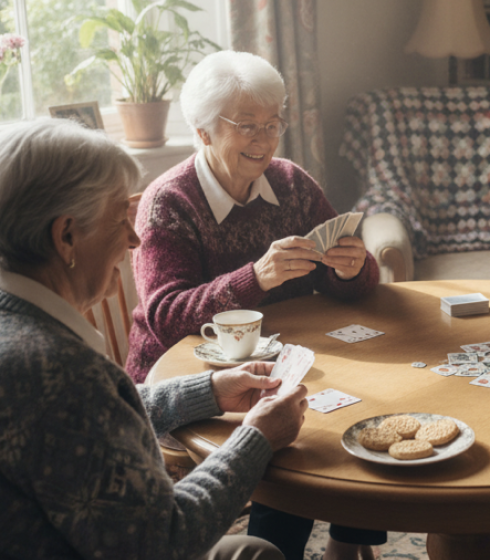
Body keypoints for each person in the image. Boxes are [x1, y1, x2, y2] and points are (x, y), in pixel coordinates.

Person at [0, 118, 308, 559]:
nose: (133, 239)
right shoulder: (63, 373)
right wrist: (257, 438)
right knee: (259, 553)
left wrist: (208, 391)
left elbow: (91, 420)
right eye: (118, 219)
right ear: (66, 235)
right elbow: (164, 540)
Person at [124, 50, 382, 560]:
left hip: (286, 357)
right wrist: (255, 278)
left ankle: (348, 542)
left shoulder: (290, 182)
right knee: (296, 431)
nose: (264, 140)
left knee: (370, 404)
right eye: (247, 126)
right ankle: (272, 551)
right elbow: (168, 316)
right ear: (202, 131)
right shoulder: (168, 203)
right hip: (184, 379)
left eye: (272, 123)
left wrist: (352, 269)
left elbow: (355, 282)